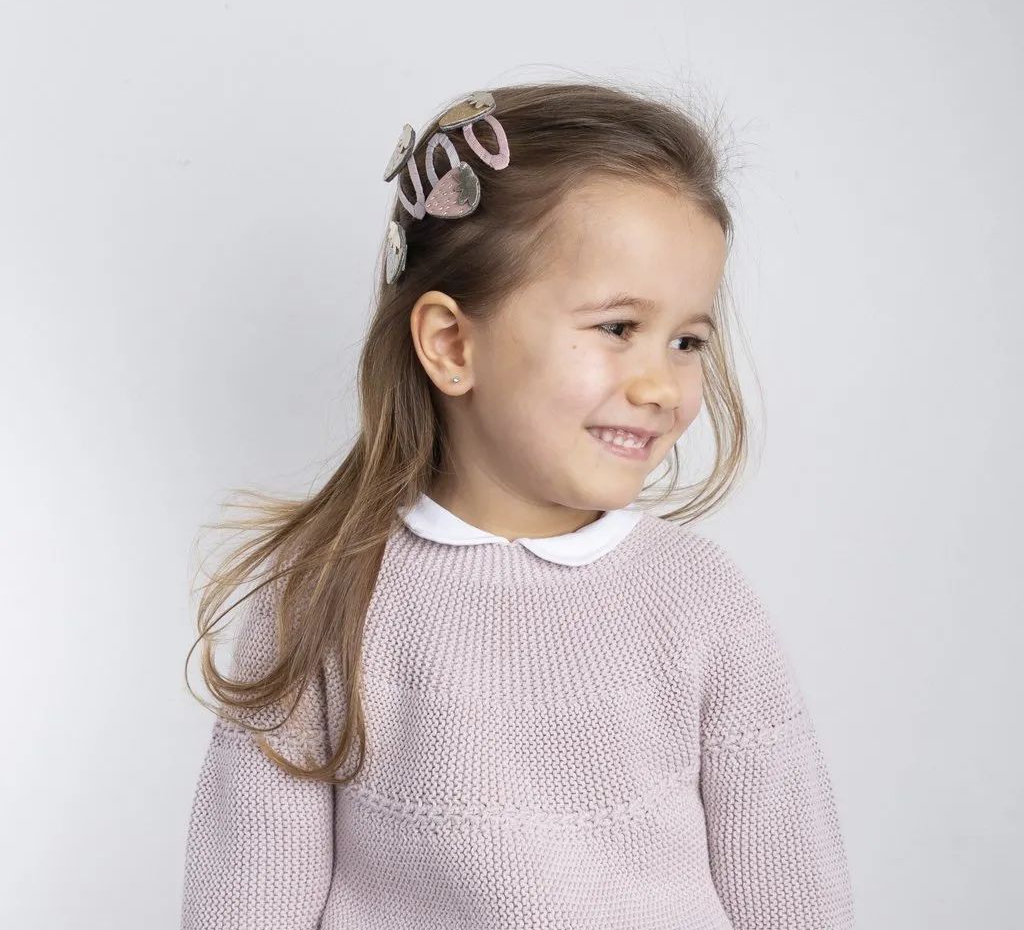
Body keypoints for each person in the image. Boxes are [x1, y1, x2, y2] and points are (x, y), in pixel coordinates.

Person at [180, 81, 855, 929]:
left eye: (687, 340)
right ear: (452, 344)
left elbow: (792, 887)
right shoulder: (323, 595)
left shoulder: (699, 601)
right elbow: (247, 893)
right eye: (618, 328)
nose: (661, 386)